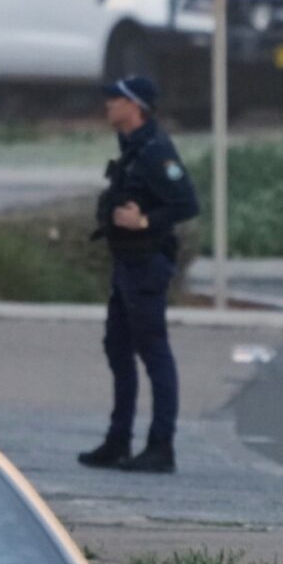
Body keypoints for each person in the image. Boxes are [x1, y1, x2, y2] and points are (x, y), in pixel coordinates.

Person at [79, 76, 200, 474]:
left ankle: (161, 446)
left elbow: (186, 204)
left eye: (116, 99)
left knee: (154, 354)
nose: (108, 105)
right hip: (127, 265)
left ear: (136, 106)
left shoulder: (155, 151)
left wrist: (145, 220)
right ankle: (118, 440)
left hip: (147, 265)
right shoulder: (132, 148)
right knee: (117, 349)